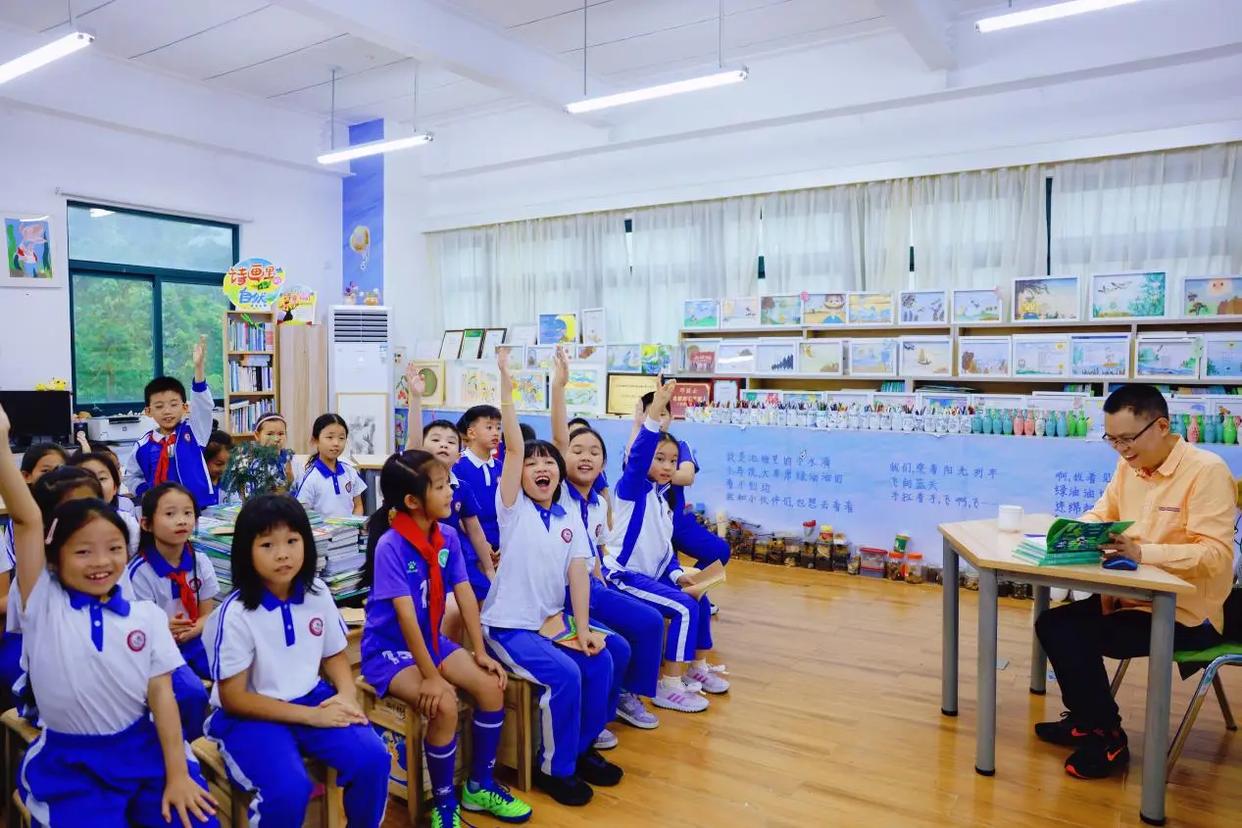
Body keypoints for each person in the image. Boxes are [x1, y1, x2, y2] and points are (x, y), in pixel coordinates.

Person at [0, 401, 218, 827]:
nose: (101, 562)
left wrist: (178, 774)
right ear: (54, 557)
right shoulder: (44, 602)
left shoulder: (145, 615)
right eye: (82, 551)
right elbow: (26, 520)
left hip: (143, 749)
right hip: (73, 762)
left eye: (113, 548)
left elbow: (162, 697)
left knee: (195, 819)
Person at [1034, 384, 1236, 779]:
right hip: (1134, 597)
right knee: (1053, 623)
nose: (1122, 450)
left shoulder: (1207, 471)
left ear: (1161, 426)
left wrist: (1144, 553)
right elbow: (1102, 513)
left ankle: (1108, 738)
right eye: (1113, 440)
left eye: (1128, 439)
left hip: (1186, 613)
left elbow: (1216, 556)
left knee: (1074, 633)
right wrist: (1077, 533)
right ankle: (1088, 720)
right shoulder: (1129, 466)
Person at [480, 349, 626, 807]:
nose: (541, 468)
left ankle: (580, 749)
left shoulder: (567, 514)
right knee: (565, 676)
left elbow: (579, 573)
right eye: (532, 463)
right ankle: (554, 769)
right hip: (509, 626)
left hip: (550, 622)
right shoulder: (512, 508)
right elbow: (514, 446)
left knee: (602, 659)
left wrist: (582, 629)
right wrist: (507, 385)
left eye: (549, 463)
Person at [361, 450, 532, 827]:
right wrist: (431, 676)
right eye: (440, 487)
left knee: (491, 685)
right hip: (389, 651)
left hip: (430, 643)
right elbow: (405, 617)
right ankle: (444, 803)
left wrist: (480, 650)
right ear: (412, 501)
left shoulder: (448, 537)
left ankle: (479, 786)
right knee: (444, 704)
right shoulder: (390, 545)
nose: (450, 493)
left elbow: (465, 593)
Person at [203, 495, 389, 826]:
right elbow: (234, 697)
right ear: (246, 551)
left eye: (292, 541)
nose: (283, 554)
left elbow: (334, 653)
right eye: (267, 545)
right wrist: (311, 717)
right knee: (288, 790)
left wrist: (347, 695)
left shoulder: (316, 591)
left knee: (373, 759)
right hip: (250, 716)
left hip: (311, 697)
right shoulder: (236, 613)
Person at [549, 347, 663, 735]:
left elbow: (596, 548)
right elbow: (558, 436)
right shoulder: (558, 494)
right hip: (564, 592)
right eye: (577, 450)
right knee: (627, 639)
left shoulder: (598, 503)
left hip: (592, 586)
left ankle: (624, 697)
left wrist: (599, 574)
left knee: (647, 624)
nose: (585, 457)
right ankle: (607, 710)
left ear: (602, 462)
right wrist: (559, 387)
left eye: (594, 452)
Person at [604, 379, 728, 713]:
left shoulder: (662, 500)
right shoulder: (632, 489)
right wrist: (656, 407)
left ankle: (695, 668)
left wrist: (677, 576)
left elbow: (665, 551)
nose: (667, 466)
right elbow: (639, 453)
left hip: (651, 575)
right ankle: (669, 687)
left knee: (698, 596)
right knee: (684, 608)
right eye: (659, 459)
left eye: (672, 461)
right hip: (623, 576)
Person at [405, 365, 496, 636]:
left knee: (491, 600)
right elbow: (412, 443)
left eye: (450, 442)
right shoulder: (415, 481)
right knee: (450, 611)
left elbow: (476, 532)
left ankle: (478, 650)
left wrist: (490, 571)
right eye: (435, 439)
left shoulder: (462, 488)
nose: (443, 444)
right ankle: (445, 652)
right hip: (425, 559)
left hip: (460, 558)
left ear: (459, 454)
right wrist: (416, 398)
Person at [127, 482, 218, 740]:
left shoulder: (200, 561)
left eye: (188, 513)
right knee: (192, 694)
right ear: (146, 524)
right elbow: (137, 628)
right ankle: (186, 747)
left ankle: (223, 733)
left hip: (195, 639)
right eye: (170, 514)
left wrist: (194, 628)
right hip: (156, 649)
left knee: (236, 670)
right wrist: (163, 629)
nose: (181, 520)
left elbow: (207, 614)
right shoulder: (139, 572)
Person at [125, 335, 216, 507]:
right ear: (148, 411)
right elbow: (131, 475)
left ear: (185, 407)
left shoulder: (194, 431)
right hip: (161, 509)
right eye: (159, 406)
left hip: (199, 506)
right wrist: (144, 491)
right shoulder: (143, 445)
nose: (167, 411)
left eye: (174, 405)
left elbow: (203, 406)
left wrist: (199, 368)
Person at [452, 403, 505, 600]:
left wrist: (503, 545)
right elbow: (458, 515)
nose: (496, 432)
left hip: (500, 541)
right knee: (483, 593)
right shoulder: (458, 465)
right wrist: (484, 547)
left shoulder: (501, 467)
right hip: (469, 541)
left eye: (498, 427)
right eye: (489, 427)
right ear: (471, 433)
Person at [69, 451, 140, 555]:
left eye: (102, 478)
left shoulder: (127, 522)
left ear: (115, 487)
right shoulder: (62, 524)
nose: (96, 484)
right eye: (87, 478)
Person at [295, 414, 366, 517]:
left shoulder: (350, 472)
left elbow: (358, 506)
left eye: (341, 438)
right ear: (315, 440)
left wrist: (354, 523)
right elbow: (302, 513)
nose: (336, 443)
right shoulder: (310, 477)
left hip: (351, 527)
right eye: (330, 437)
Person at [203, 431, 233, 506]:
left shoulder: (228, 483)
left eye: (228, 464)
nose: (224, 468)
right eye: (218, 464)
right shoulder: (198, 484)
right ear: (205, 460)